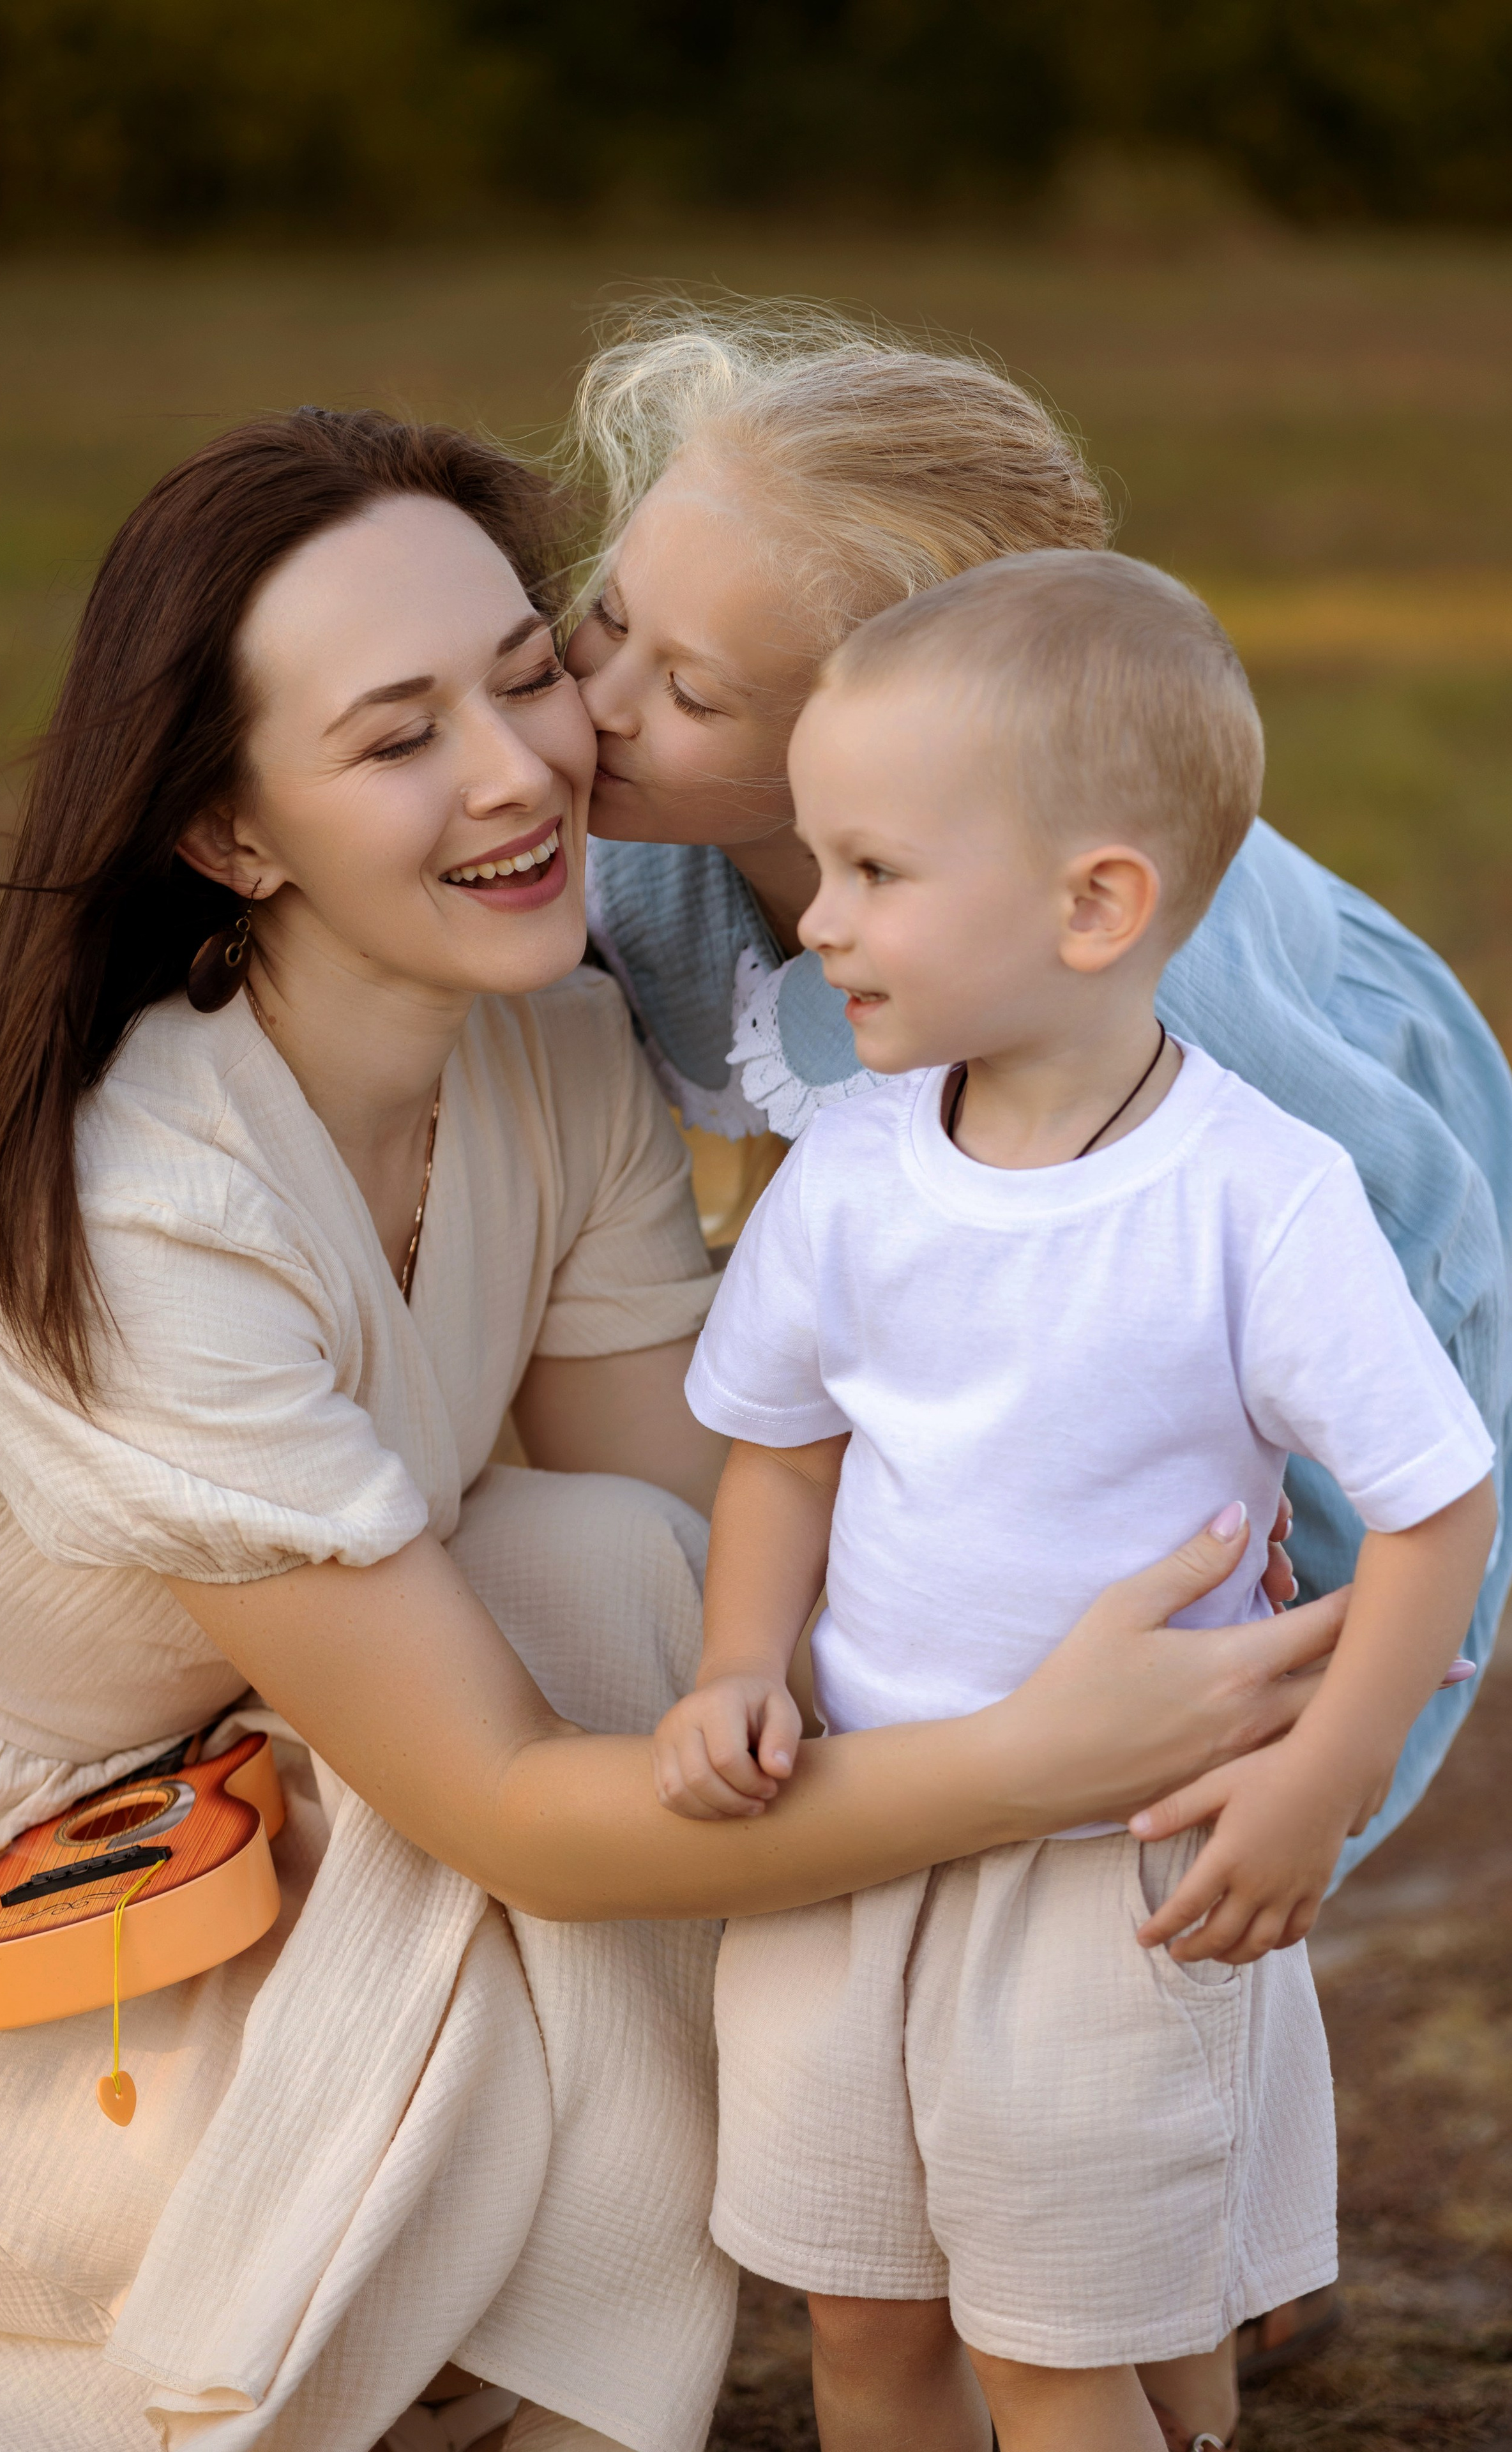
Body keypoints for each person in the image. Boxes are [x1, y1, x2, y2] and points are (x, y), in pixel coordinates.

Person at [0, 409, 1339, 2452]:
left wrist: (1109, 1631)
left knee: (619, 1578)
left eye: (525, 670)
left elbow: (700, 1534)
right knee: (584, 1751)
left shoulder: (551, 1043)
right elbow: (491, 1801)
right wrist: (1033, 1762)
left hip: (256, 1799)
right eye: (399, 739)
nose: (523, 767)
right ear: (233, 833)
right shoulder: (144, 1211)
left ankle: (1079, 2206)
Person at [653, 552, 1497, 2452]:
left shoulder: (1253, 1199)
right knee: (864, 2329)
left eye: (872, 874)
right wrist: (734, 1664)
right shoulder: (855, 1164)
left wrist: (1318, 1778)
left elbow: (1439, 1506)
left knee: (1081, 2342)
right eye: (817, 862)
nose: (824, 924)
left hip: (1114, 1881)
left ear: (1096, 903)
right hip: (852, 1836)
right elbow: (785, 1449)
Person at [571, 303, 1512, 1905]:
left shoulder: (1150, 1013)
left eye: (692, 694)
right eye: (601, 621)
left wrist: (1324, 1748)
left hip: (1353, 1258)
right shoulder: (634, 858)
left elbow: (1416, 1313)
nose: (597, 702)